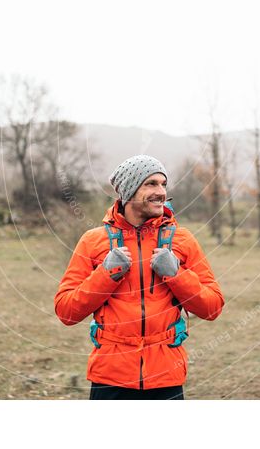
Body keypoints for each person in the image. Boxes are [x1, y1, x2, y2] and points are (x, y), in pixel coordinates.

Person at [54, 154, 224, 400]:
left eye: (163, 184)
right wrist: (106, 273)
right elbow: (66, 311)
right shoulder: (93, 241)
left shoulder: (182, 240)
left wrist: (176, 275)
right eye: (151, 184)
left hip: (166, 377)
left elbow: (213, 308)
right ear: (129, 191)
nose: (161, 192)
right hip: (110, 378)